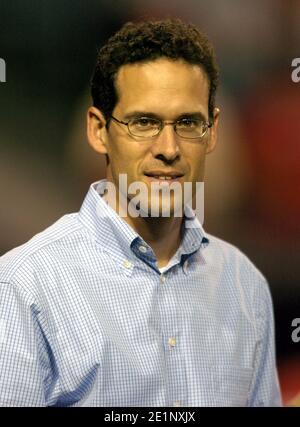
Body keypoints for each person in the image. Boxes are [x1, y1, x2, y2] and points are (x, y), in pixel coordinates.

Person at [0, 19, 282, 407]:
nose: (168, 147)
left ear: (212, 132)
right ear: (99, 131)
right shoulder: (25, 286)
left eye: (187, 122)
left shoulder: (246, 286)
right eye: (143, 122)